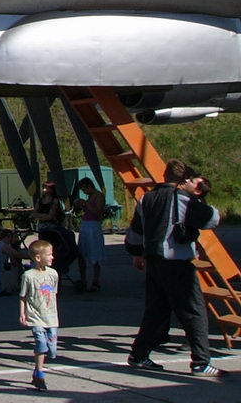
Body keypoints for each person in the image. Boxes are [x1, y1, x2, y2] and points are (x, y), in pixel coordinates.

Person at [125, 159, 224, 377]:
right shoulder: (182, 199)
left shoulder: (146, 198)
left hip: (153, 261)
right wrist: (197, 194)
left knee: (156, 311)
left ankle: (139, 355)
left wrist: (136, 254)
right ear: (185, 180)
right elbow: (212, 218)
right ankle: (201, 362)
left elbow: (135, 232)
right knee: (194, 311)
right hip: (176, 262)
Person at [19, 239, 60, 391]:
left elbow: (53, 294)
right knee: (41, 345)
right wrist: (22, 313)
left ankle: (36, 372)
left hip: (51, 317)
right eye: (49, 255)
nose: (52, 257)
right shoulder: (28, 276)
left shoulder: (53, 274)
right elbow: (23, 296)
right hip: (35, 317)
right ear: (38, 258)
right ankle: (41, 376)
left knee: (52, 350)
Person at [73, 177, 105, 293]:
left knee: (95, 252)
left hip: (94, 226)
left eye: (84, 189)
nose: (84, 192)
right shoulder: (90, 197)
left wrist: (86, 204)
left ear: (88, 186)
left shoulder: (99, 196)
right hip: (86, 225)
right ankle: (83, 279)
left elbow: (98, 211)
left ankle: (96, 280)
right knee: (82, 252)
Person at [0, 228, 29, 295]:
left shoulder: (0, 246)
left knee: (13, 271)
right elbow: (18, 255)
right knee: (12, 274)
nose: (16, 239)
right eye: (14, 237)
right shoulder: (3, 246)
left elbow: (14, 262)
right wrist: (32, 256)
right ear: (8, 237)